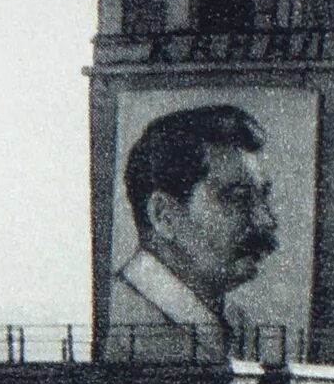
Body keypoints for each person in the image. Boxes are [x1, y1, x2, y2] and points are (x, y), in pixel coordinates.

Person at [106, 104, 283, 362]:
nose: (267, 221)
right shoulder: (125, 325)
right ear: (163, 216)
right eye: (238, 198)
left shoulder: (236, 324)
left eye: (262, 197)